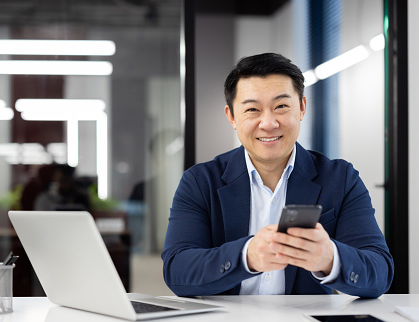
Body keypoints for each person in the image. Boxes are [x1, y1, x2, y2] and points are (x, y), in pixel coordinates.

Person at [161, 53, 394, 298]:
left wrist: (329, 258)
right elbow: (177, 270)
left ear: (302, 108)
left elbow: (380, 273)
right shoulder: (200, 181)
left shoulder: (340, 178)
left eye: (281, 106)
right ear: (232, 117)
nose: (269, 123)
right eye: (252, 109)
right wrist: (247, 256)